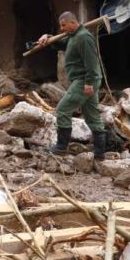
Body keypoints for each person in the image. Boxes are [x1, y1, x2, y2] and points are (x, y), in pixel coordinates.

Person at [36, 11, 107, 159]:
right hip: (85, 80)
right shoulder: (73, 36)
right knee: (92, 115)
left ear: (72, 22)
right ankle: (100, 154)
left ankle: (61, 147)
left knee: (62, 109)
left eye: (64, 25)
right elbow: (62, 44)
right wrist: (48, 38)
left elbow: (92, 63)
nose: (61, 29)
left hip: (84, 80)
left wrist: (89, 83)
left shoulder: (84, 38)